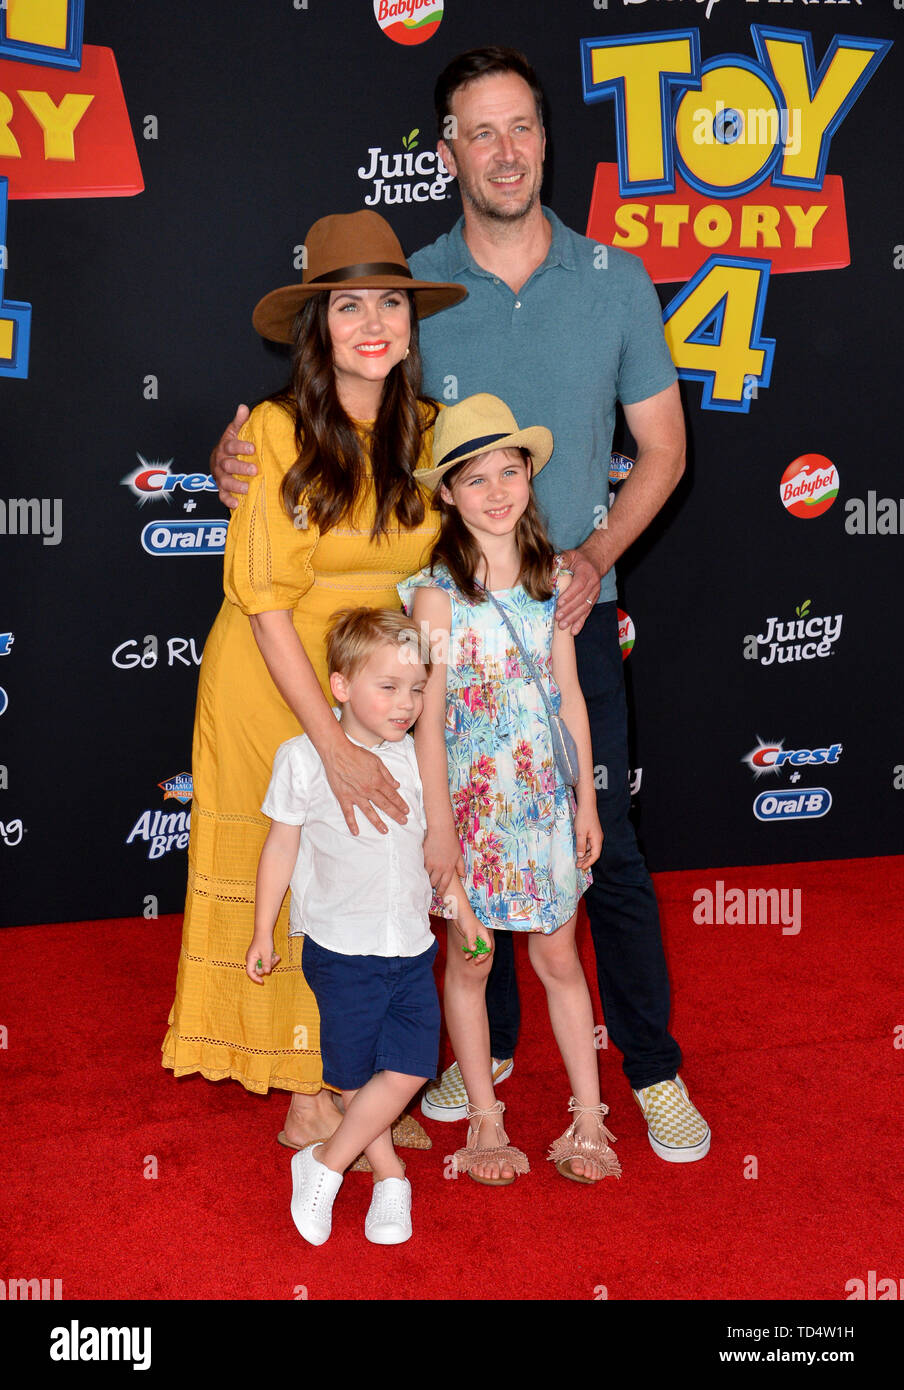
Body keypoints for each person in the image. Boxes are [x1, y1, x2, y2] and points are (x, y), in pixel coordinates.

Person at [212, 48, 711, 1164]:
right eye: (477, 133)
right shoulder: (416, 287)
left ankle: (653, 1072)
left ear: (545, 138)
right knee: (450, 869)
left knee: (604, 858)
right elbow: (333, 407)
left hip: (562, 627)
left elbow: (665, 451)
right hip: (434, 644)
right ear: (446, 153)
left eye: (519, 127)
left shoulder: (614, 278)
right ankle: (476, 1059)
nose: (502, 151)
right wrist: (237, 450)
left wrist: (587, 557)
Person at [162, 210, 465, 1158]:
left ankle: (353, 1077)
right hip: (275, 685)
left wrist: (407, 723)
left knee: (361, 881)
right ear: (316, 326)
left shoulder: (430, 432)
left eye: (389, 302)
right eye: (346, 306)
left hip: (381, 687)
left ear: (413, 322)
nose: (371, 322)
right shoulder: (279, 433)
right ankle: (306, 1091)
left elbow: (451, 574)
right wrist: (329, 745)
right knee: (291, 874)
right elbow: (260, 603)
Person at [399, 394, 619, 1185]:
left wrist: (587, 801)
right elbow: (427, 724)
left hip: (544, 810)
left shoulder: (555, 576)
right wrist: (439, 830)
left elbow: (569, 693)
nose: (496, 491)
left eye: (509, 471)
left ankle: (590, 1119)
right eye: (474, 478)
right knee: (472, 960)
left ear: (529, 476)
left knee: (560, 960)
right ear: (448, 494)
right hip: (467, 813)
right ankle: (485, 1122)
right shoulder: (433, 592)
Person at [246, 608, 441, 1245]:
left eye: (417, 688)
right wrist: (260, 930)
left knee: (411, 1067)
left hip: (412, 946)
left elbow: (436, 847)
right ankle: (389, 1176)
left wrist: (461, 911)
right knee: (355, 1076)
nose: (406, 703)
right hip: (342, 950)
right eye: (388, 687)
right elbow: (279, 849)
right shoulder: (302, 759)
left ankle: (325, 1164)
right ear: (339, 686)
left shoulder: (421, 760)